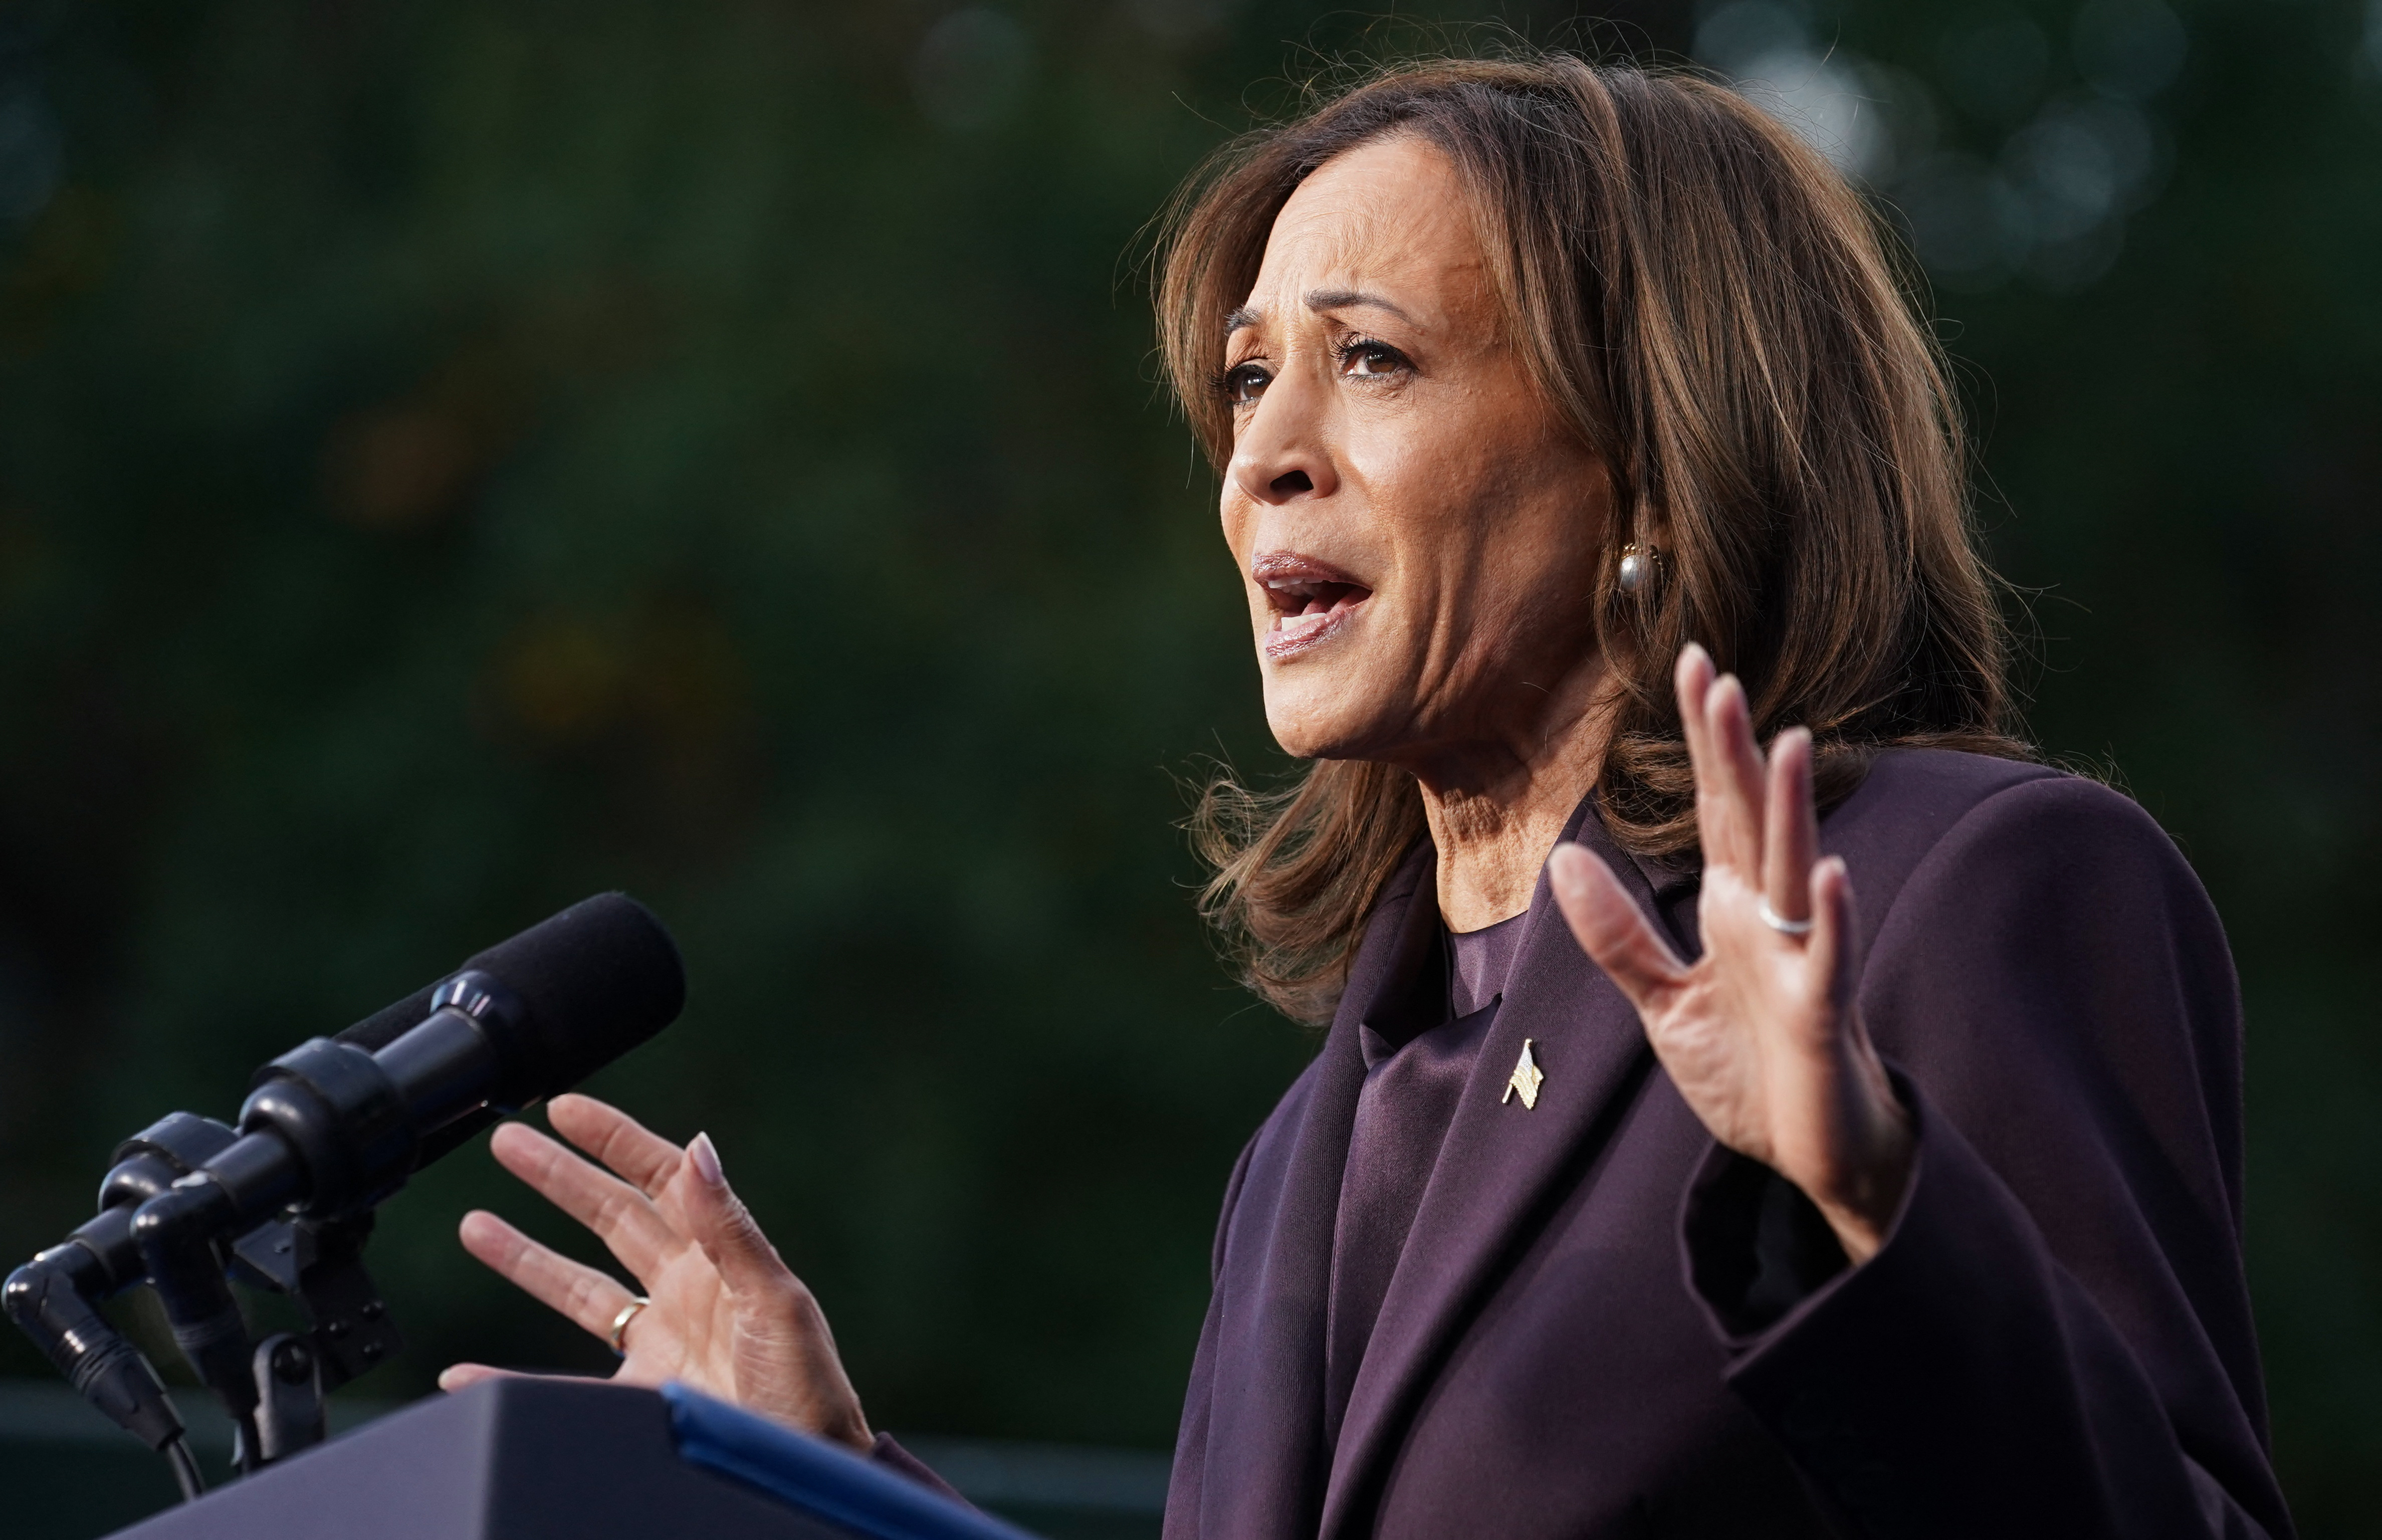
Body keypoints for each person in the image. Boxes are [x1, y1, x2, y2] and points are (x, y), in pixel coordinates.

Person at [440, 54, 2294, 1538]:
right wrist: (829, 1476)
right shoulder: (1316, 1135)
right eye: (1248, 383)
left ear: (1655, 459)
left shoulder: (1954, 890)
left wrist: (1874, 1200)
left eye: (1370, 361)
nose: (1259, 458)